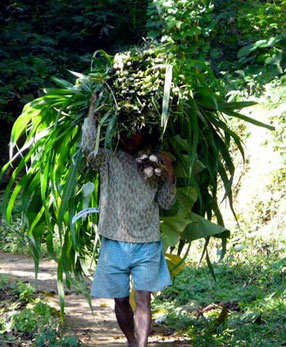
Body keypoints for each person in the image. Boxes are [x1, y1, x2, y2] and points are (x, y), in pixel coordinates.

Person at [81, 116, 176, 347]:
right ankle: (132, 340)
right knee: (121, 299)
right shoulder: (108, 159)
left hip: (148, 242)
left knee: (144, 299)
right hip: (115, 242)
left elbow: (167, 203)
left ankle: (140, 346)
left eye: (135, 132)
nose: (129, 137)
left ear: (145, 133)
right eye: (124, 131)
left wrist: (170, 172)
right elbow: (87, 151)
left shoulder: (155, 164)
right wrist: (92, 115)